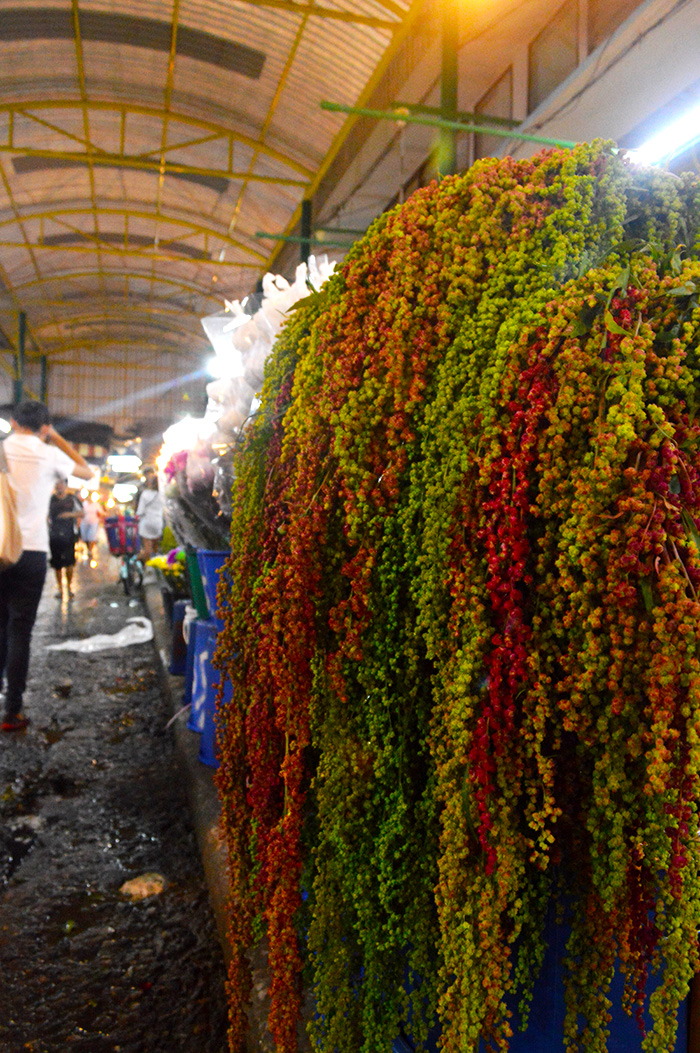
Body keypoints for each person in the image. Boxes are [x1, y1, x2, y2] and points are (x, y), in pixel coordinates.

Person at [0, 402, 93, 732]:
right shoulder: (48, 454)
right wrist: (55, 437)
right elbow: (87, 471)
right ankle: (12, 711)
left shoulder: (2, 449)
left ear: (12, 422)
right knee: (19, 631)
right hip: (32, 552)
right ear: (43, 427)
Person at [48, 478, 83, 599]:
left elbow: (82, 513)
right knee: (57, 564)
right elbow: (45, 515)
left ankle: (69, 587)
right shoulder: (50, 499)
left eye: (61, 483)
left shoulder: (72, 499)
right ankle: (60, 589)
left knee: (69, 563)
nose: (59, 486)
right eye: (57, 483)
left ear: (66, 485)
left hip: (69, 535)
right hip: (54, 535)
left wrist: (70, 514)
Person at [136, 470, 163, 560]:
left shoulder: (145, 494)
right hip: (158, 523)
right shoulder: (161, 494)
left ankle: (147, 566)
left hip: (147, 522)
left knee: (147, 549)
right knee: (155, 549)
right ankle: (155, 565)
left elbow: (140, 511)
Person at [79, 493, 102, 563]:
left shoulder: (96, 505)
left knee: (92, 537)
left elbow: (100, 512)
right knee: (85, 537)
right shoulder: (84, 504)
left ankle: (90, 550)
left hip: (93, 522)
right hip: (84, 522)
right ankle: (88, 547)